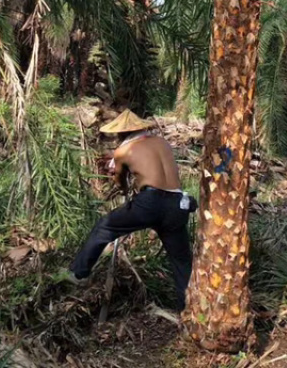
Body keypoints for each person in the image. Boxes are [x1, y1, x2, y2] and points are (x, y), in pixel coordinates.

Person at [69, 110, 197, 310]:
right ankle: (190, 309)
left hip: (150, 202)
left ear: (121, 134)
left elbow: (119, 180)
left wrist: (126, 188)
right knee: (181, 260)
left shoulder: (124, 150)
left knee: (104, 227)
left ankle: (78, 273)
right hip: (177, 203)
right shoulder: (162, 142)